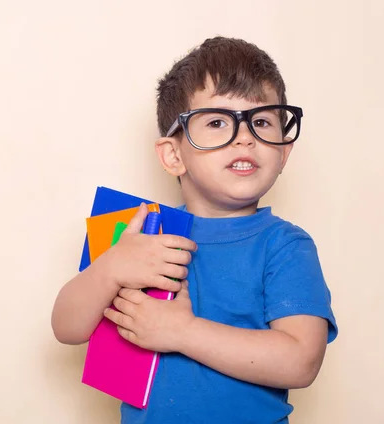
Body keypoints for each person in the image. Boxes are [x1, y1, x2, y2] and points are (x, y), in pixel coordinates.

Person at [52, 36, 338, 423]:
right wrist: (110, 269)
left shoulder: (285, 246)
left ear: (283, 151)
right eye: (218, 121)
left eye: (262, 121)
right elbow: (66, 328)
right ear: (173, 155)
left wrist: (181, 331)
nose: (245, 136)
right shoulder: (139, 233)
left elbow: (301, 362)